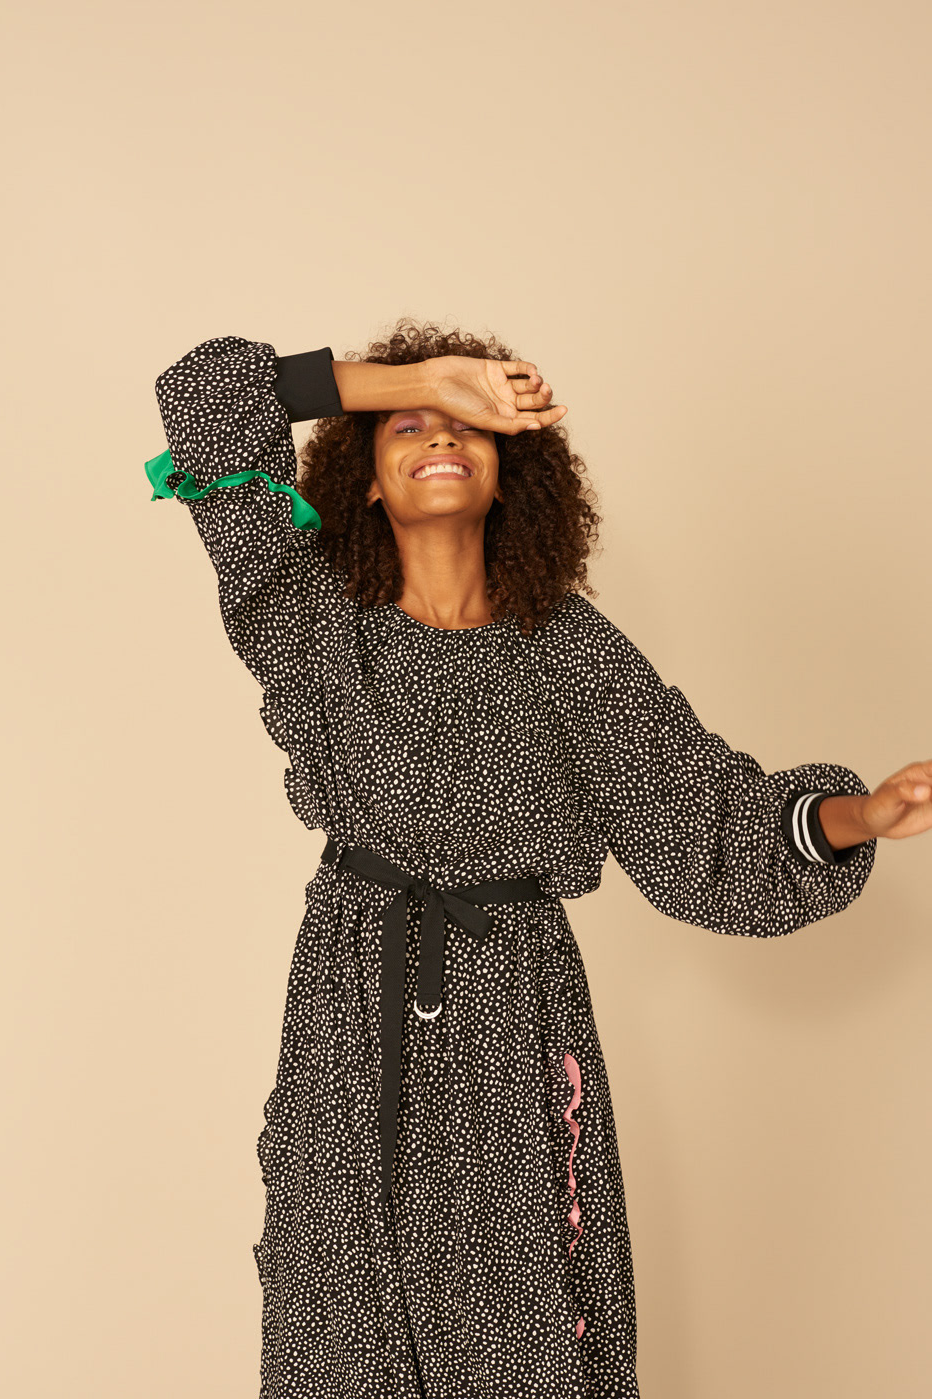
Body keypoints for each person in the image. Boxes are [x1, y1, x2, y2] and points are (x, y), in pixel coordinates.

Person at [144, 323, 931, 1399]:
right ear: (363, 480)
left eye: (466, 430)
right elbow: (206, 398)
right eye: (407, 430)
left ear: (510, 475)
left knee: (521, 1323)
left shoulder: (566, 650)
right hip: (352, 1008)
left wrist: (859, 816)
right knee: (341, 1318)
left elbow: (704, 823)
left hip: (513, 1011)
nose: (439, 438)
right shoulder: (313, 624)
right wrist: (423, 378)